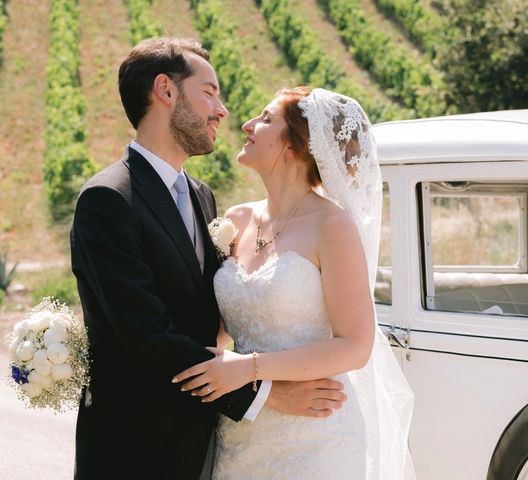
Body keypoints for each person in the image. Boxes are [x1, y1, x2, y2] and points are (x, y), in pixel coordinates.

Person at [70, 38, 345, 480]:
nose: (223, 111)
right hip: (136, 448)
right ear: (166, 90)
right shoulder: (108, 199)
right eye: (210, 92)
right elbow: (147, 336)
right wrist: (266, 394)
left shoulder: (202, 197)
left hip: (208, 441)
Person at [173, 87, 416, 479]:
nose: (248, 125)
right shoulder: (234, 221)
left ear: (296, 147)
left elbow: (354, 346)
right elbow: (215, 331)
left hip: (315, 433)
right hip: (242, 432)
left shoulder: (332, 227)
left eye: (266, 120)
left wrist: (250, 368)